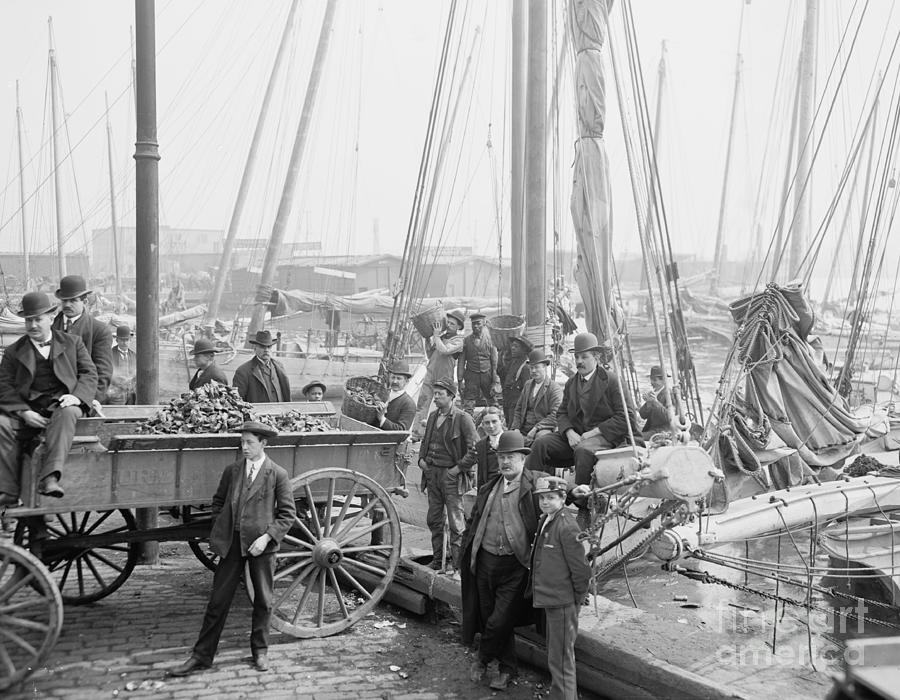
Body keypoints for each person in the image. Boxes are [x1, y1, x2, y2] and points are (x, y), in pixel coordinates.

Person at [167, 421, 296, 676]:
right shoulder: (233, 471)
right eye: (242, 442)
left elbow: (287, 514)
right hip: (232, 544)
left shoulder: (277, 474)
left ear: (263, 444)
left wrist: (267, 538)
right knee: (218, 601)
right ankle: (202, 656)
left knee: (263, 600)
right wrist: (222, 526)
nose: (244, 447)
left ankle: (260, 651)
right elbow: (218, 502)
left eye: (250, 442)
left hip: (261, 547)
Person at [460, 430, 551, 691]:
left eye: (510, 457)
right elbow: (474, 522)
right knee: (493, 618)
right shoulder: (490, 487)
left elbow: (559, 495)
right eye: (501, 457)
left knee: (499, 619)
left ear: (523, 459)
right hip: (485, 562)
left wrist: (579, 492)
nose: (505, 462)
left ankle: (482, 659)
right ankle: (507, 669)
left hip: (516, 565)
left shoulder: (537, 485)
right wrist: (465, 555)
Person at [0, 291, 98, 505]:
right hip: (28, 411)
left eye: (38, 319)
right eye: (28, 320)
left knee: (69, 411)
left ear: (51, 318)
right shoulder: (13, 352)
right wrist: (24, 412)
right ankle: (7, 491)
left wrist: (76, 397)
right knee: (0, 423)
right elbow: (4, 386)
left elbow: (90, 374)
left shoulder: (73, 343)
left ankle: (50, 477)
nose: (33, 325)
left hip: (62, 407)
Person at [526, 332, 642, 485]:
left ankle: (584, 503)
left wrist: (593, 433)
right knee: (541, 443)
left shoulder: (612, 381)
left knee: (583, 450)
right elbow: (562, 413)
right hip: (577, 436)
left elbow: (626, 416)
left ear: (596, 357)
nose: (579, 361)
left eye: (584, 357)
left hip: (609, 437)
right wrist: (569, 432)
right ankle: (530, 492)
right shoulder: (571, 383)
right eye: (577, 357)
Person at [530, 476, 592, 700]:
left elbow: (582, 570)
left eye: (550, 498)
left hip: (563, 602)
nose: (545, 502)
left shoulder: (565, 525)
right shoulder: (548, 519)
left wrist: (575, 599)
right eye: (542, 498)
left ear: (562, 498)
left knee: (561, 659)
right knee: (557, 657)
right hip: (553, 598)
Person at [418, 378, 477, 575]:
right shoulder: (434, 416)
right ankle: (437, 561)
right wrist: (421, 460)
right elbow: (426, 441)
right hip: (432, 474)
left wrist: (457, 469)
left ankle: (458, 568)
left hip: (451, 477)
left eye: (439, 394)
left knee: (456, 524)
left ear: (451, 396)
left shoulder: (463, 418)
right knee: (434, 519)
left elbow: (475, 450)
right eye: (434, 393)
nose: (435, 397)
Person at [52, 274, 112, 406]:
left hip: (83, 398)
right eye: (64, 300)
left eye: (73, 300)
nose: (67, 305)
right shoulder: (50, 328)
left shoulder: (99, 331)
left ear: (84, 302)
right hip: (52, 397)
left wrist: (90, 399)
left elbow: (103, 371)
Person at [412, 310, 465, 438]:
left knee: (442, 405)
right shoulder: (440, 337)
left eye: (453, 324)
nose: (449, 325)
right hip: (430, 374)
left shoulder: (459, 341)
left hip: (444, 378)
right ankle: (417, 433)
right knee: (422, 403)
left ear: (459, 327)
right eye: (448, 322)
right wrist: (427, 340)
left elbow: (445, 350)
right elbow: (431, 355)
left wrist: (435, 336)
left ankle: (441, 434)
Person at [511, 348, 563, 446]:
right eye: (531, 368)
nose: (533, 370)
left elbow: (556, 414)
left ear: (544, 367)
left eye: (537, 367)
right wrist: (516, 428)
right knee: (509, 438)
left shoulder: (554, 388)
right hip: (524, 426)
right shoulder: (527, 385)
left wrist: (536, 428)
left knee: (541, 438)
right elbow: (518, 409)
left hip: (543, 428)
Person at [457, 312, 500, 416]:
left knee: (493, 402)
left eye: (478, 323)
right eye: (473, 324)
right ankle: (468, 427)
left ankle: (497, 423)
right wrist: (459, 381)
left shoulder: (491, 340)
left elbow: (495, 363)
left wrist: (495, 382)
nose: (475, 326)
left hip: (487, 376)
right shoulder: (466, 341)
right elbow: (461, 362)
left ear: (484, 323)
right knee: (468, 404)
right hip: (471, 376)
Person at [233, 330, 291, 403]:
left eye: (269, 347)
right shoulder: (243, 371)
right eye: (262, 347)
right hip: (257, 413)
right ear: (255, 348)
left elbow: (286, 394)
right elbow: (238, 401)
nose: (266, 350)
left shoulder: (279, 366)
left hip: (280, 413)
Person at [458, 405, 505, 487]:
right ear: (483, 425)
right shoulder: (481, 445)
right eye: (487, 423)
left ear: (501, 421)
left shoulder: (512, 439)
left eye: (494, 421)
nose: (491, 426)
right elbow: (468, 460)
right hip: (488, 486)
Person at [372, 360, 417, 431]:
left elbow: (402, 430)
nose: (395, 381)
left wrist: (382, 418)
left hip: (389, 441)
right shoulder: (381, 394)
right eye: (393, 377)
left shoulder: (409, 404)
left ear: (406, 381)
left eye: (399, 378)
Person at [498, 335, 533, 426]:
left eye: (516, 346)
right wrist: (500, 354)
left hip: (516, 405)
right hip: (508, 402)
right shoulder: (513, 362)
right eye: (512, 346)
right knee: (508, 425)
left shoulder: (525, 367)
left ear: (524, 350)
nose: (512, 348)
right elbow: (501, 373)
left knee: (513, 428)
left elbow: (527, 391)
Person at [639, 365, 673, 442]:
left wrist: (655, 402)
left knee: (634, 438)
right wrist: (648, 403)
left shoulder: (670, 394)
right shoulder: (655, 393)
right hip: (652, 430)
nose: (652, 383)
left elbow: (669, 417)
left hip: (664, 431)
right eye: (651, 380)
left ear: (663, 380)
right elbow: (643, 415)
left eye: (655, 380)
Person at [108, 325, 137, 405]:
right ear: (117, 340)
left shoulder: (134, 355)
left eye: (127, 340)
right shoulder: (110, 354)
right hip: (115, 393)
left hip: (130, 393)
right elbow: (106, 372)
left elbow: (136, 372)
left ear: (130, 340)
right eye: (122, 340)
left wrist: (131, 380)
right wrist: (117, 381)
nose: (125, 343)